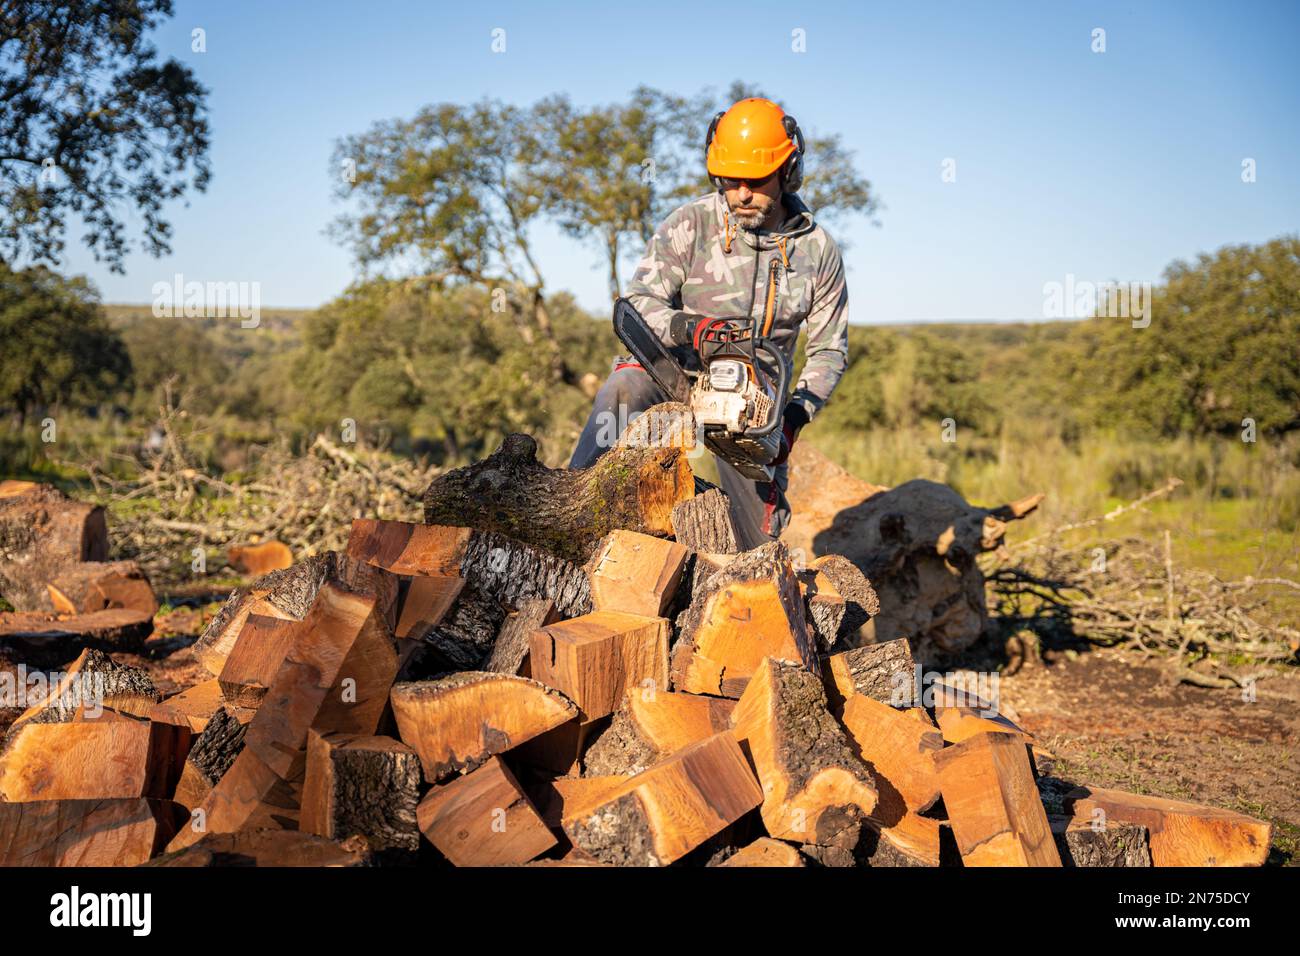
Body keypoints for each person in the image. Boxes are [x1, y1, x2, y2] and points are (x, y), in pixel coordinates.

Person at [569, 96, 850, 549]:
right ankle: (569, 512)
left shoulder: (817, 250)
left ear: (788, 171)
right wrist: (689, 329)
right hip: (673, 374)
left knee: (758, 548)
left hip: (756, 402)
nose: (741, 193)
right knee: (623, 391)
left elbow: (830, 349)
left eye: (756, 181)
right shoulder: (690, 224)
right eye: (731, 178)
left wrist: (794, 418)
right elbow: (639, 302)